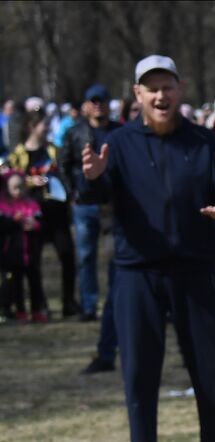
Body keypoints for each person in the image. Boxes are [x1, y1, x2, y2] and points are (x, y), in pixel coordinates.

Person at [78, 55, 215, 442]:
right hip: (137, 275)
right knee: (139, 378)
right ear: (137, 95)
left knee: (212, 372)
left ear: (180, 89)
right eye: (150, 88)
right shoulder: (119, 143)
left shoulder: (204, 140)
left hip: (195, 271)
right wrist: (91, 180)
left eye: (167, 86)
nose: (160, 96)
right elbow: (95, 191)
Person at [3, 110, 79, 319]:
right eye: (43, 125)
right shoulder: (18, 154)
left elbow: (65, 171)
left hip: (57, 211)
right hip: (33, 214)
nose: (47, 129)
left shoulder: (54, 150)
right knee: (32, 264)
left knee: (67, 256)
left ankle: (69, 302)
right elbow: (10, 180)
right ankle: (38, 305)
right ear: (31, 127)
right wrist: (29, 181)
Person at [61, 84, 120, 340]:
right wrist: (71, 192)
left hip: (113, 205)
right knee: (86, 257)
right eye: (93, 101)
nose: (98, 105)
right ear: (86, 105)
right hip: (84, 203)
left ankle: (115, 303)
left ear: (108, 103)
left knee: (116, 258)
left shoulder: (119, 132)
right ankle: (88, 305)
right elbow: (63, 164)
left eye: (102, 100)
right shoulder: (76, 133)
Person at [0, 169, 44, 320]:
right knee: (16, 284)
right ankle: (20, 311)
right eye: (14, 188)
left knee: (35, 283)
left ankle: (37, 310)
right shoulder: (5, 207)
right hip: (13, 254)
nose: (18, 191)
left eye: (21, 187)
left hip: (32, 253)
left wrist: (35, 225)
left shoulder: (32, 205)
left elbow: (42, 225)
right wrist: (14, 221)